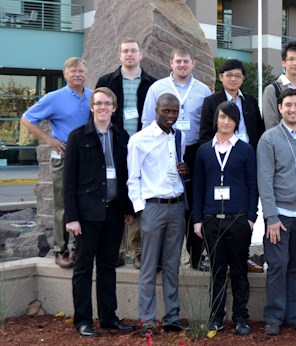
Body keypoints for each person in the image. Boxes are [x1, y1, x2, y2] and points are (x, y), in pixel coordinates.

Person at [63, 87, 135, 337]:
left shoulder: (121, 136)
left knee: (107, 267)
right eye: (98, 103)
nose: (103, 107)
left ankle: (108, 317)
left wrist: (128, 209)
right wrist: (71, 217)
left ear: (114, 108)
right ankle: (83, 320)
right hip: (86, 215)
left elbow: (125, 175)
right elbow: (68, 181)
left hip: (114, 212)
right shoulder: (78, 137)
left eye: (108, 104)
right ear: (92, 107)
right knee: (83, 267)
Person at [257, 88, 296, 336]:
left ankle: (294, 317)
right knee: (277, 266)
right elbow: (265, 180)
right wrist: (271, 217)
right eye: (288, 105)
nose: (293, 109)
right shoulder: (269, 138)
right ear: (280, 108)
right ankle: (273, 316)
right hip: (280, 217)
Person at [141, 46, 212, 270]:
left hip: (193, 150)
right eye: (178, 61)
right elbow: (146, 122)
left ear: (194, 64)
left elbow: (208, 124)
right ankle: (163, 258)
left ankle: (196, 256)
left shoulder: (203, 91)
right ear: (170, 63)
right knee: (167, 204)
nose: (182, 65)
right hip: (163, 148)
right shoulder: (157, 88)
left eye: (186, 61)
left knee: (194, 204)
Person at [192, 101, 258, 335]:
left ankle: (240, 317)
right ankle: (216, 317)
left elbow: (253, 185)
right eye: (222, 117)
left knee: (240, 270)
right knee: (217, 271)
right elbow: (198, 187)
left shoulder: (245, 150)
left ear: (236, 122)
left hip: (238, 219)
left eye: (231, 118)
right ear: (216, 120)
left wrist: (251, 217)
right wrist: (197, 219)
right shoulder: (204, 150)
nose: (226, 122)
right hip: (211, 219)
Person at [21, 57, 92, 268]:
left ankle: (80, 249)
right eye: (73, 71)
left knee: (85, 204)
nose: (77, 74)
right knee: (63, 205)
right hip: (63, 158)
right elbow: (26, 119)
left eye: (80, 71)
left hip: (87, 159)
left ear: (85, 74)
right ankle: (61, 250)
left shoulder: (91, 96)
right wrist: (49, 140)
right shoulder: (54, 98)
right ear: (65, 74)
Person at [128, 93, 189, 336]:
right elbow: (133, 178)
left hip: (176, 206)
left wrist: (185, 172)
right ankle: (147, 319)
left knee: (172, 265)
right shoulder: (139, 140)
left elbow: (176, 170)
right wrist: (142, 210)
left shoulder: (178, 137)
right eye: (167, 111)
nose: (171, 116)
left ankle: (172, 316)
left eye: (175, 112)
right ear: (156, 110)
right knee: (149, 266)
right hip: (152, 207)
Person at [95, 37, 157, 269]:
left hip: (142, 145)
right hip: (114, 143)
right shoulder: (107, 81)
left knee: (139, 194)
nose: (129, 54)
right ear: (119, 55)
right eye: (125, 51)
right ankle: (117, 250)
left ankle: (137, 250)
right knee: (116, 194)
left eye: (133, 51)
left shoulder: (152, 83)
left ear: (141, 55)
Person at [199, 59, 265, 273]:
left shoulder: (251, 101)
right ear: (221, 77)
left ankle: (242, 257)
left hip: (246, 158)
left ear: (243, 79)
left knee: (244, 203)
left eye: (238, 75)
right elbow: (205, 134)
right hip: (220, 158)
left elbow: (259, 131)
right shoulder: (211, 102)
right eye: (229, 75)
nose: (233, 79)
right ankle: (218, 259)